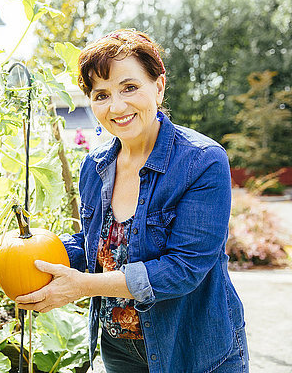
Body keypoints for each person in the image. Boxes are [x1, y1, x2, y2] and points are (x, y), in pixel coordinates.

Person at [15, 28, 248, 372]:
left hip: (192, 349)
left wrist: (84, 287)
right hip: (119, 350)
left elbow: (183, 269)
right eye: (101, 94)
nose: (117, 106)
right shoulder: (95, 167)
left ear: (159, 86)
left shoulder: (202, 161)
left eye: (130, 87)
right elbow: (94, 244)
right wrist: (31, 258)